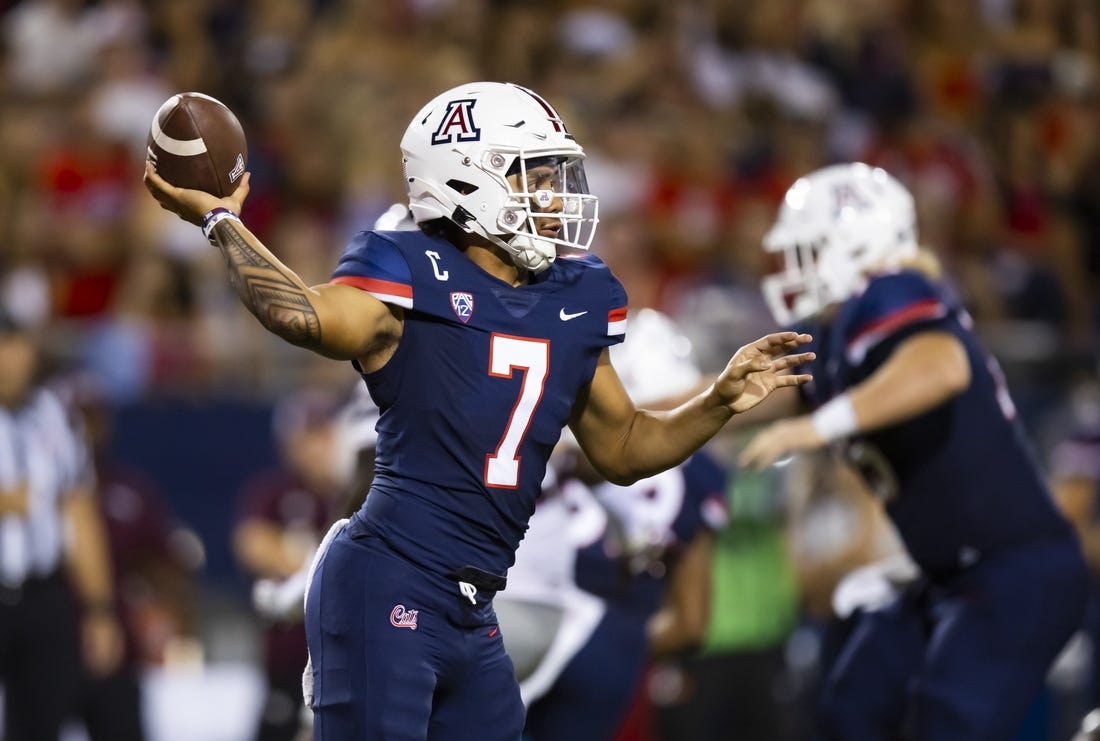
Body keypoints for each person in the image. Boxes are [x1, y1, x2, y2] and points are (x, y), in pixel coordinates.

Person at [144, 79, 813, 741]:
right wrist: (222, 221)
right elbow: (300, 312)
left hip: (477, 605)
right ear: (466, 180)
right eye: (533, 176)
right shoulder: (411, 268)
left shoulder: (575, 296)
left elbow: (625, 448)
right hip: (387, 583)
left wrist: (717, 402)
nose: (555, 195)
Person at [739, 162, 1088, 740]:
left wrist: (819, 428)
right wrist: (650, 415)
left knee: (947, 722)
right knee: (851, 710)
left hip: (1016, 567)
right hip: (947, 573)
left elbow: (940, 366)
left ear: (857, 244)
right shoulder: (836, 335)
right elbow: (752, 394)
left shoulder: (892, 288)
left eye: (811, 248)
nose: (795, 267)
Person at [496, 308, 729, 741]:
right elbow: (691, 623)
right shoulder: (701, 473)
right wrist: (622, 641)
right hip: (614, 640)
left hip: (528, 611)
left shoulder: (569, 442)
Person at [0, 307, 125, 741]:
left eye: (13, 344)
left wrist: (99, 609)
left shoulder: (53, 413)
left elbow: (79, 513)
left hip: (42, 595)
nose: (7, 358)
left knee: (39, 725)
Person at [233, 387, 352, 741]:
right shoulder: (273, 493)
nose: (317, 448)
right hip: (289, 659)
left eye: (324, 434)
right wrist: (321, 558)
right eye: (308, 436)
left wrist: (302, 556)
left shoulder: (358, 491)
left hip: (348, 659)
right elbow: (252, 545)